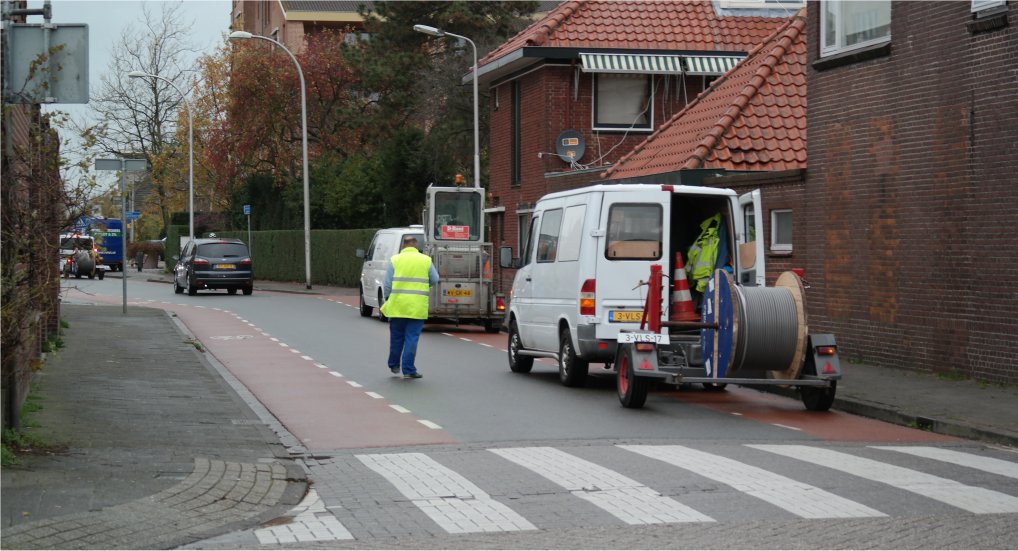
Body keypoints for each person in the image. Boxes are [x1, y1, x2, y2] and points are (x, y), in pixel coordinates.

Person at [381, 236, 439, 379]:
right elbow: (435, 279)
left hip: (398, 306)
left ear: (403, 246)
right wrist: (426, 286)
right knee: (411, 338)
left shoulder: (395, 260)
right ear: (416, 245)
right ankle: (409, 369)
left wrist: (388, 298)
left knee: (396, 338)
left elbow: (387, 283)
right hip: (417, 307)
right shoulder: (425, 260)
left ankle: (394, 365)